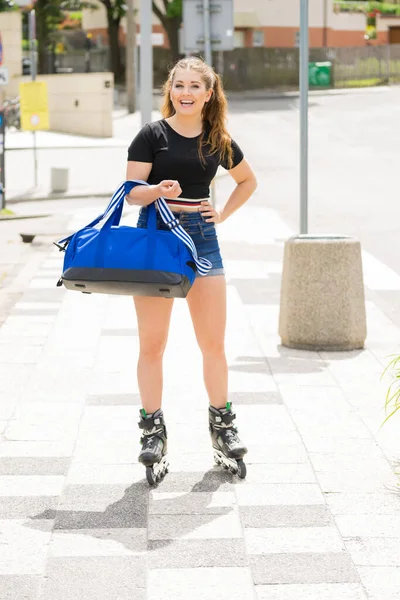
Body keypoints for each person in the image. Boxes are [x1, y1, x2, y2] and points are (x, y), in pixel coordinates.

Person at [125, 57, 257, 483]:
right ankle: (152, 432)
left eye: (193, 86)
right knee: (152, 345)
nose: (185, 92)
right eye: (178, 85)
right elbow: (130, 194)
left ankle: (223, 427)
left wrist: (223, 214)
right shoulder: (151, 135)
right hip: (155, 241)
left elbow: (247, 181)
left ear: (208, 92)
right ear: (170, 90)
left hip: (202, 239)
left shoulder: (218, 138)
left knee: (212, 344)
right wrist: (156, 190)